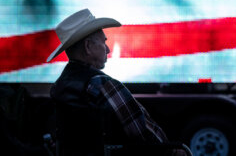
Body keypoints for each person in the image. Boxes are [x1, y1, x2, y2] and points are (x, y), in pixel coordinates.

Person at [47, 9, 188, 155]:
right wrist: (172, 151)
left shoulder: (59, 86)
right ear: (88, 47)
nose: (107, 49)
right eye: (103, 42)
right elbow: (142, 133)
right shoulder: (101, 84)